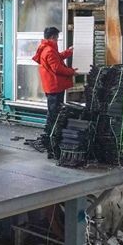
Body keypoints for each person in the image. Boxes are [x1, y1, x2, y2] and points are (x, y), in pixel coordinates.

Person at [32, 26, 77, 158]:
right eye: (57, 38)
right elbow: (57, 68)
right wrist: (72, 72)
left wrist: (68, 52)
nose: (57, 40)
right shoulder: (49, 50)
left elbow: (57, 58)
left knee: (54, 112)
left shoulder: (47, 48)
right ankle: (51, 139)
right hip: (54, 87)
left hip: (52, 86)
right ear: (52, 37)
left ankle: (50, 136)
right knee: (54, 113)